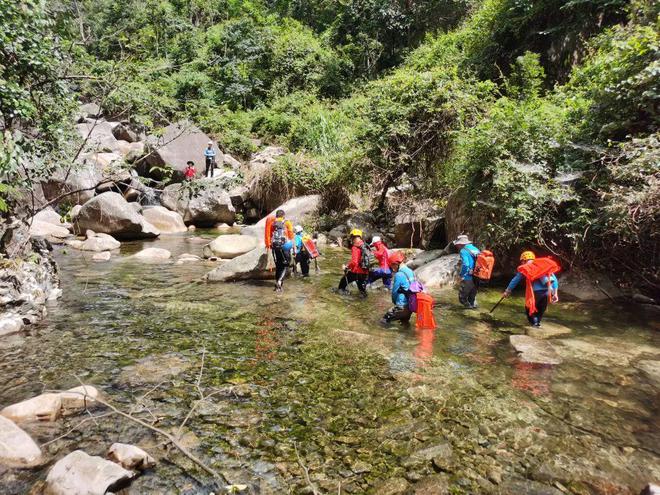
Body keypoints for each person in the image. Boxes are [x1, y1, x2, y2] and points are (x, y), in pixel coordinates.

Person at [503, 251, 559, 327]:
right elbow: (554, 280)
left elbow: (515, 280)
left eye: (522, 261)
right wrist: (555, 293)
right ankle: (537, 323)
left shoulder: (525, 267)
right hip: (547, 292)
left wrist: (507, 291)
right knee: (541, 309)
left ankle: (534, 324)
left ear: (524, 260)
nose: (522, 263)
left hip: (535, 292)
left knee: (529, 308)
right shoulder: (543, 265)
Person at [381, 251, 414, 325]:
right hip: (410, 306)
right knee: (404, 324)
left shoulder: (399, 274)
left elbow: (395, 292)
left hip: (401, 306)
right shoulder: (410, 271)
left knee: (383, 321)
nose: (392, 269)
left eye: (392, 266)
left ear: (396, 264)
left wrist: (394, 302)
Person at [265, 209, 294, 292]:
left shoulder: (272, 223)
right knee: (286, 264)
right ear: (283, 215)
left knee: (278, 265)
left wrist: (268, 246)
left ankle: (277, 285)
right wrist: (294, 248)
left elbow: (269, 235)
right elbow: (291, 236)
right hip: (285, 246)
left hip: (275, 247)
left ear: (276, 216)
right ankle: (280, 281)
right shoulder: (287, 222)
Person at [337, 229, 369, 297]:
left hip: (356, 272)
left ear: (353, 237)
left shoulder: (355, 247)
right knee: (362, 291)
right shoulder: (365, 245)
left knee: (342, 284)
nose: (351, 239)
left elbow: (354, 262)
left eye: (351, 237)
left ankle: (343, 298)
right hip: (365, 272)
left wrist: (346, 266)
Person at [454, 234, 481, 309]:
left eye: (457, 245)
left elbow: (466, 264)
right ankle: (475, 311)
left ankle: (469, 312)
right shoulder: (476, 249)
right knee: (472, 298)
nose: (457, 246)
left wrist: (461, 275)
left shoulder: (463, 250)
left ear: (460, 244)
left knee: (462, 298)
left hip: (468, 277)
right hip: (477, 277)